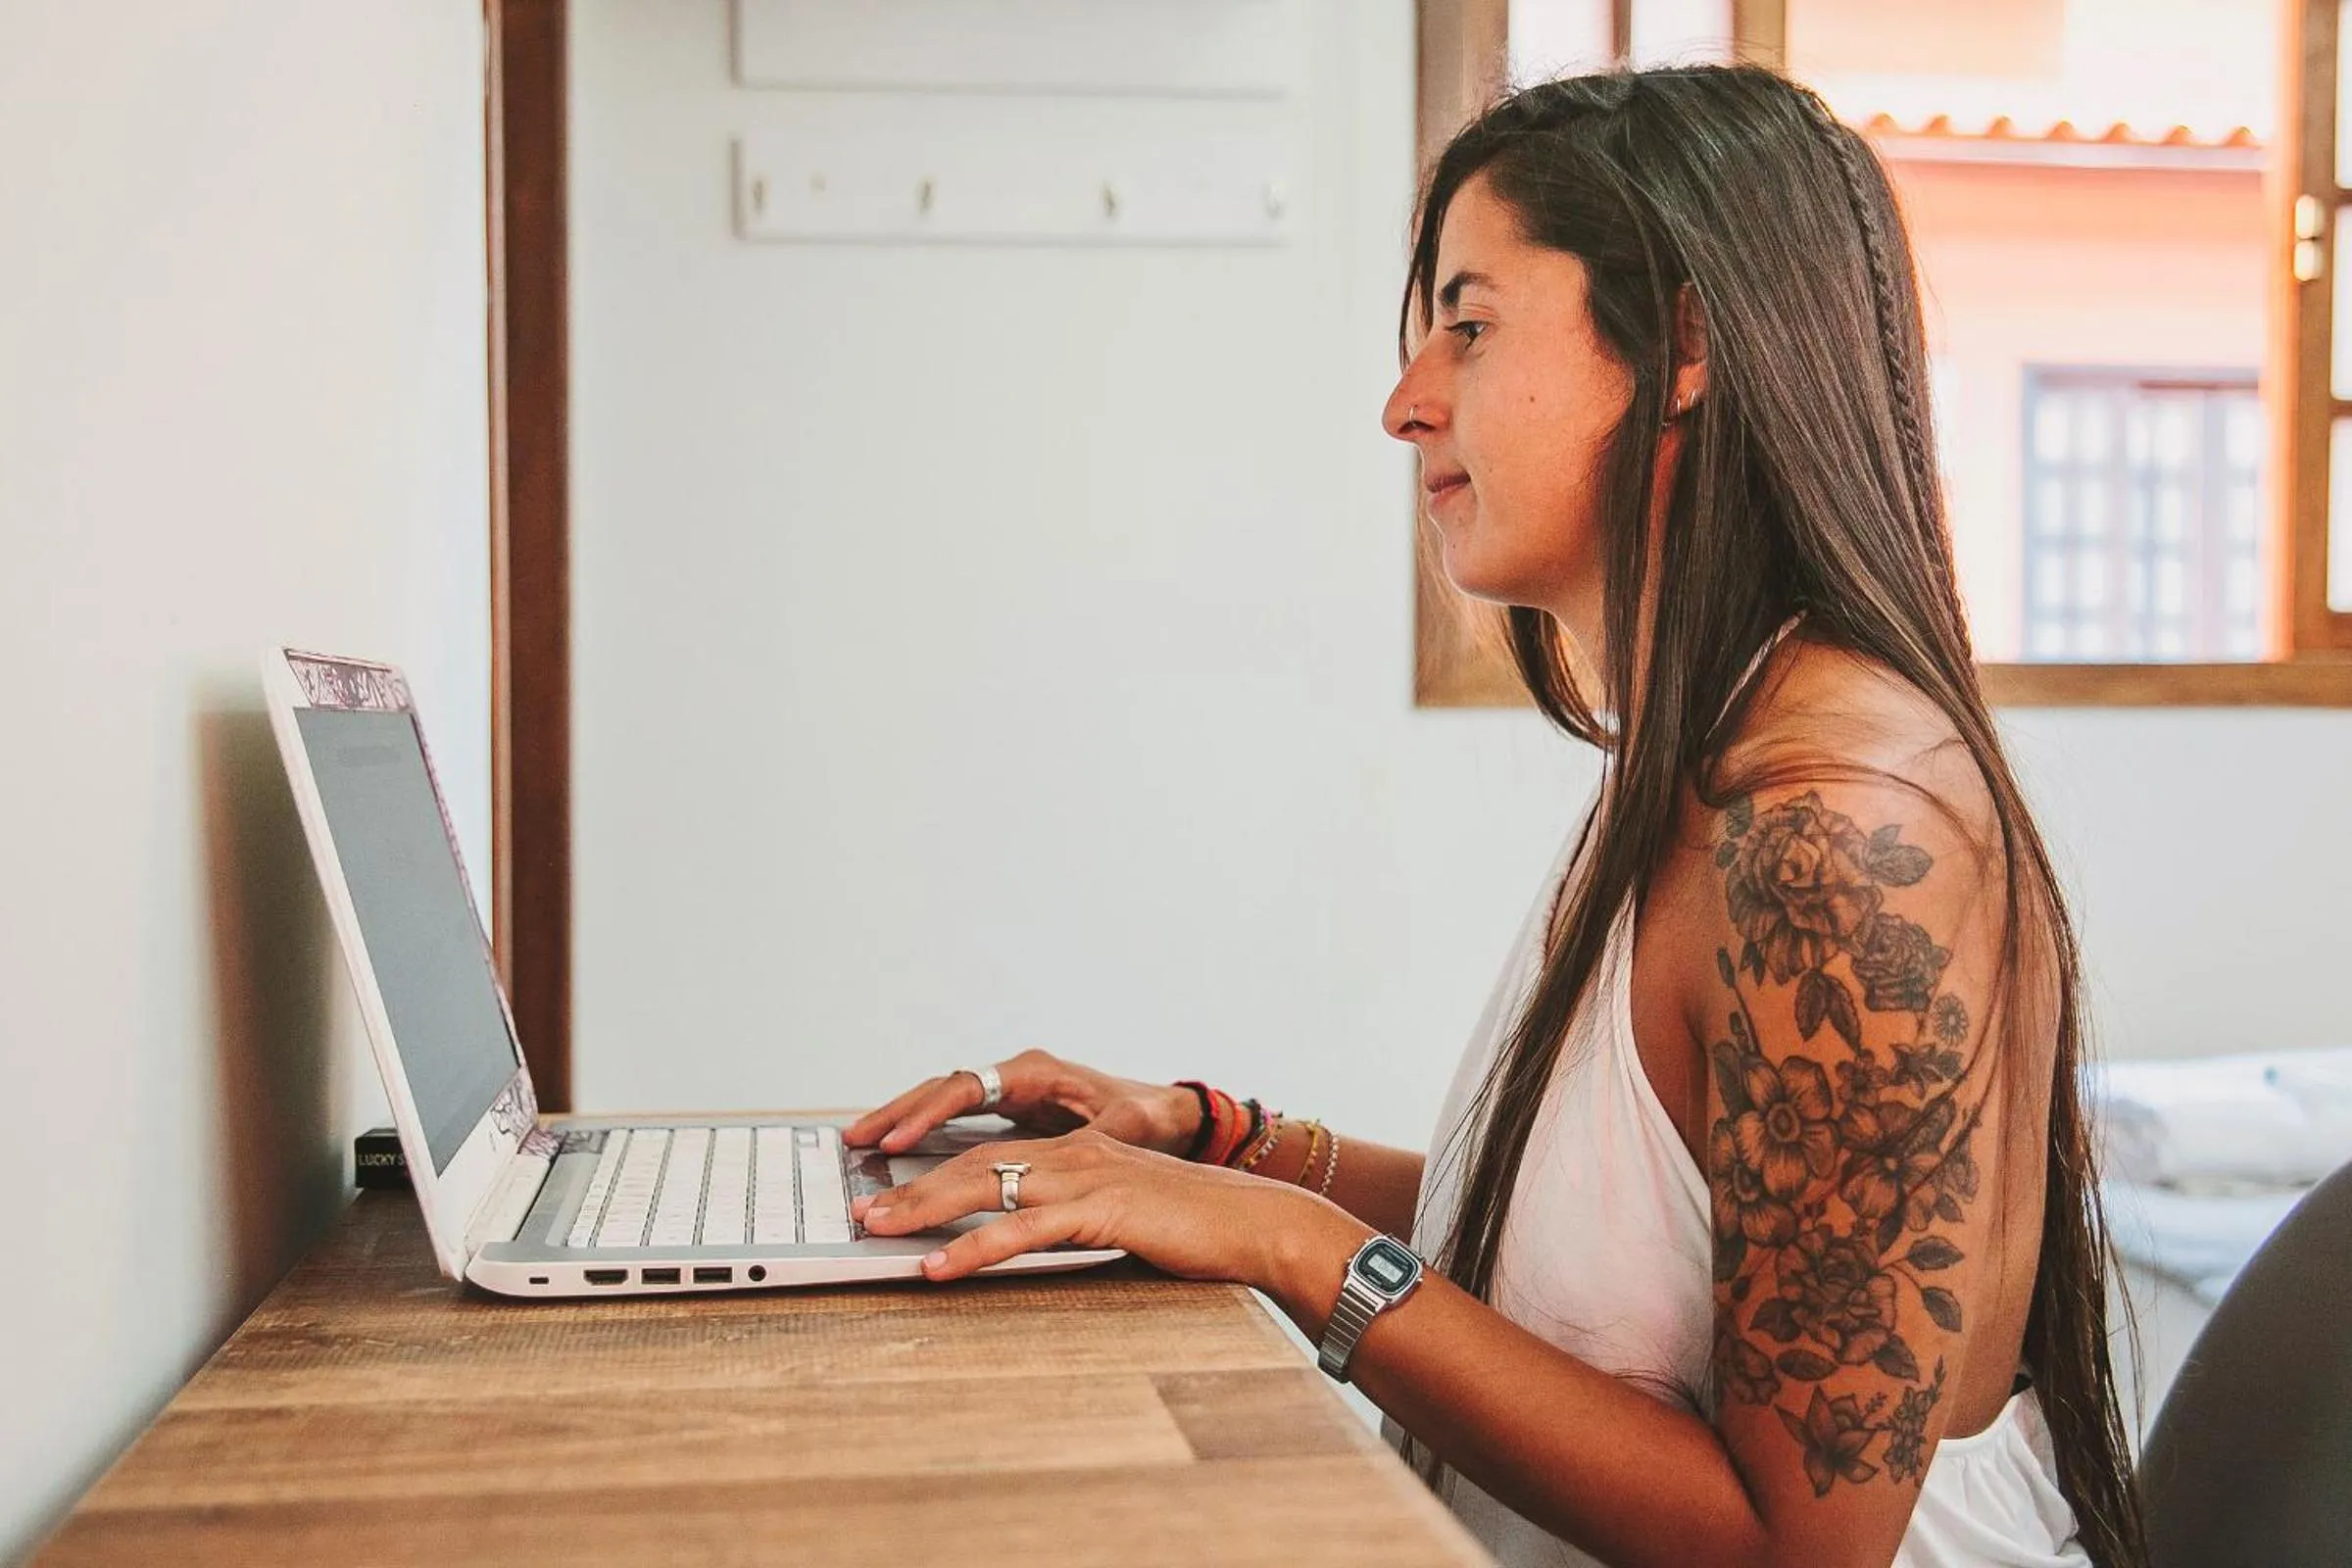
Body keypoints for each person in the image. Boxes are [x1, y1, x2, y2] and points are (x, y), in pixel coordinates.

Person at [842, 66, 2143, 1568]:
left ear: (1691, 342)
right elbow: (1576, 1257)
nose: (1408, 404)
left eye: (1469, 324)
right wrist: (1216, 1148)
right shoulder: (1718, 752)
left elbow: (1798, 1549)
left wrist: (1296, 1247)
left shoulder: (1837, 835)